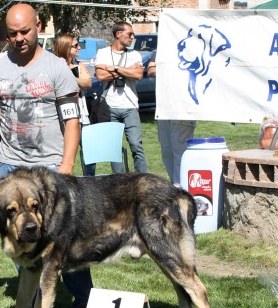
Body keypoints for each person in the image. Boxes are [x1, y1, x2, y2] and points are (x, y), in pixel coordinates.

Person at [0, 3, 92, 308]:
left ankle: (84, 301)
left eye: (25, 31)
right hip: (11, 168)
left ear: (38, 26)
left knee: (65, 240)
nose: (19, 38)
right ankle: (35, 297)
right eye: (13, 34)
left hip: (50, 171)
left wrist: (66, 165)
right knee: (20, 239)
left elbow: (72, 121)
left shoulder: (56, 68)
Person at [95, 21, 147, 173]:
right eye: (129, 34)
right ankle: (119, 182)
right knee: (114, 148)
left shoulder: (134, 54)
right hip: (110, 106)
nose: (132, 37)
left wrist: (116, 68)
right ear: (118, 34)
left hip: (130, 106)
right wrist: (126, 70)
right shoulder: (103, 53)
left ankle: (143, 179)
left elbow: (138, 74)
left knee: (136, 145)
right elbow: (100, 75)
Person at [147, 54, 196, 186]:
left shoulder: (190, 47)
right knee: (166, 151)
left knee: (180, 150)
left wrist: (164, 69)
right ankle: (176, 186)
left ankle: (183, 187)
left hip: (183, 108)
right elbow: (150, 70)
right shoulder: (163, 48)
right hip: (164, 108)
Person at [53, 34, 94, 176]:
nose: (79, 48)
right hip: (64, 117)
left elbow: (87, 83)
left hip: (82, 115)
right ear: (65, 47)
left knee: (89, 154)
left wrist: (68, 77)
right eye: (75, 45)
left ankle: (89, 180)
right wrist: (77, 80)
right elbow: (81, 82)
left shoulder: (79, 64)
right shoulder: (55, 66)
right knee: (65, 153)